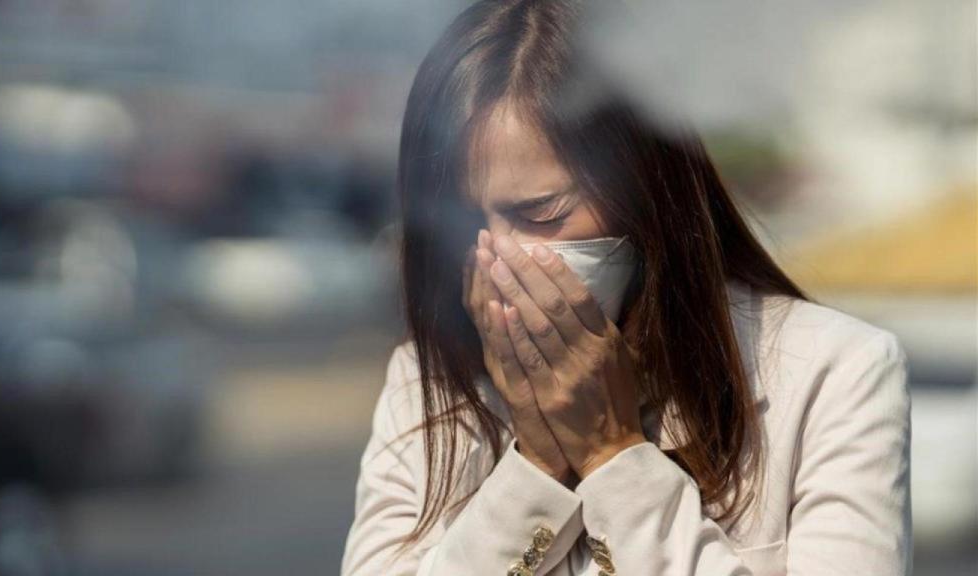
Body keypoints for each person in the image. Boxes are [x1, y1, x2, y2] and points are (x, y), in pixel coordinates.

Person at [340, 1, 912, 574]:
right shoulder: (430, 383)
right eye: (466, 223)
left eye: (539, 213)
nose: (498, 256)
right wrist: (535, 468)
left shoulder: (832, 373)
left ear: (645, 189)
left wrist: (609, 454)